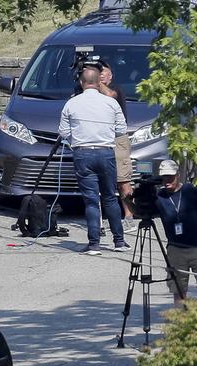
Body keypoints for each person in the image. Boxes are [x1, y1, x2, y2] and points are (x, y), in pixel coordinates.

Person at [58, 67, 129, 256]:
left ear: (81, 83)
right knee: (110, 197)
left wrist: (77, 141)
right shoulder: (111, 103)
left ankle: (94, 244)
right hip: (106, 152)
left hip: (83, 153)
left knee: (91, 200)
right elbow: (122, 129)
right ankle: (119, 241)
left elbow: (64, 132)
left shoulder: (71, 104)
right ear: (99, 83)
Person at [154, 160, 197, 307]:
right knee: (178, 290)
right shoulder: (159, 196)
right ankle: (181, 323)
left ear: (178, 175)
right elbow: (141, 213)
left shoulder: (191, 191)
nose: (167, 181)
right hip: (175, 249)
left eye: (170, 177)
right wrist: (127, 201)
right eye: (164, 177)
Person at [98, 63, 136, 231]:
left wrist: (96, 83)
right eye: (97, 72)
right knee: (102, 182)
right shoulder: (87, 92)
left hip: (117, 139)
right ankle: (105, 218)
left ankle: (129, 215)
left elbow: (111, 96)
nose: (100, 75)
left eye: (103, 72)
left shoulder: (117, 90)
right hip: (98, 140)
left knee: (123, 180)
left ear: (111, 75)